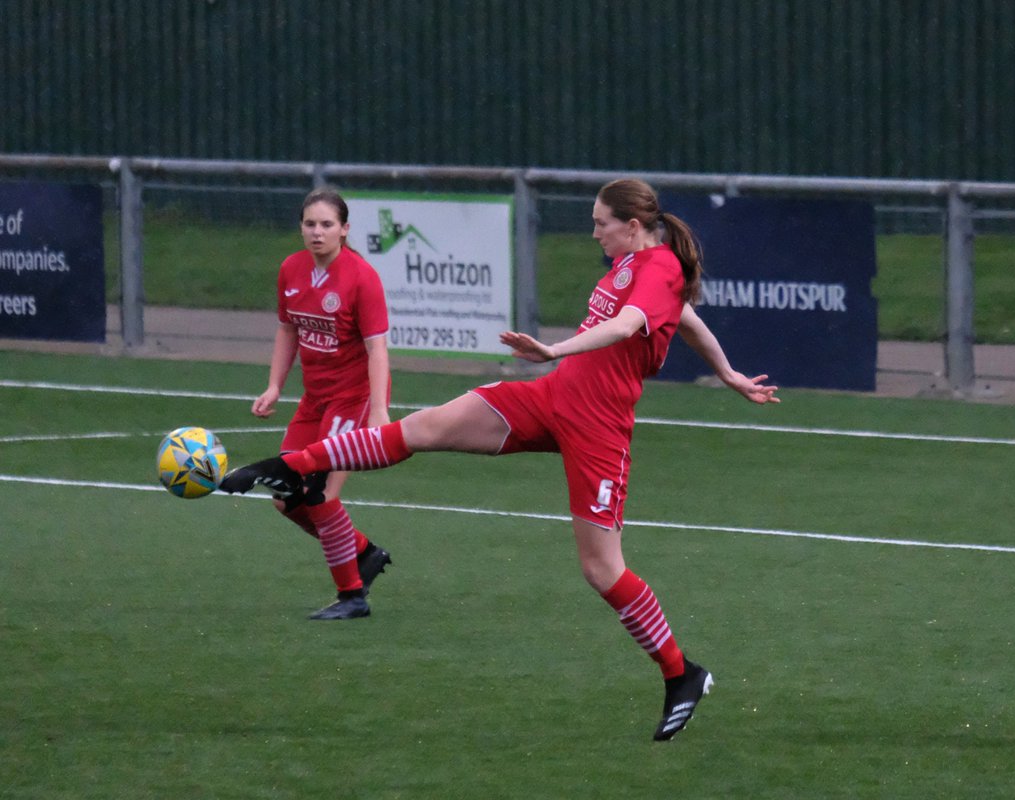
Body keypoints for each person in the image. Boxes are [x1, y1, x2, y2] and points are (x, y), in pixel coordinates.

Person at [222, 178, 779, 739]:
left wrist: (553, 349)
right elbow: (681, 317)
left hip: (599, 428)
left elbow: (629, 324)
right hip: (552, 399)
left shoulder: (658, 268)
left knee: (601, 568)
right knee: (422, 427)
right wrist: (728, 371)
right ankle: (290, 467)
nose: (593, 232)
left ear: (631, 226)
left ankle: (681, 673)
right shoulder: (634, 266)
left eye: (600, 223)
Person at [248, 187, 394, 620]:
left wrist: (379, 411)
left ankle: (352, 597)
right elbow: (287, 330)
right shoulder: (291, 270)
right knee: (285, 497)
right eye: (310, 224)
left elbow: (378, 350)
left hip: (354, 398)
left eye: (327, 224)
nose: (317, 232)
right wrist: (275, 386)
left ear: (344, 230)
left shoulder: (361, 277)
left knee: (318, 493)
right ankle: (364, 552)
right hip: (315, 399)